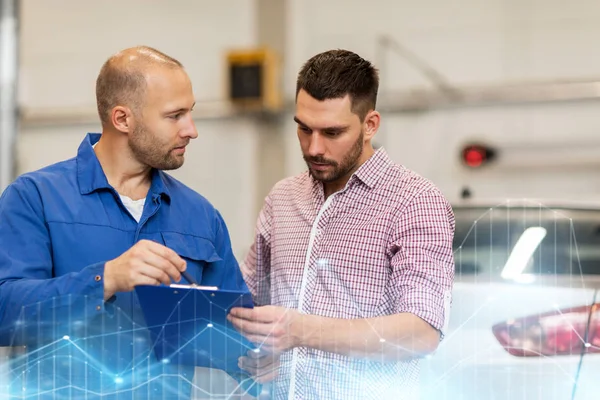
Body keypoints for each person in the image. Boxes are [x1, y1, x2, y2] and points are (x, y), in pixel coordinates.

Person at [0, 46, 249, 399]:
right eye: (174, 115)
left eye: (190, 113)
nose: (191, 130)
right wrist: (106, 278)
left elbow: (236, 333)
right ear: (122, 119)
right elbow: (4, 311)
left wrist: (261, 353)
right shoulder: (35, 198)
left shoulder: (200, 215)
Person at [228, 49, 455, 399]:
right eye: (304, 129)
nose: (314, 147)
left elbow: (420, 332)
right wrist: (252, 354)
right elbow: (248, 302)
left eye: (332, 133)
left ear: (370, 125)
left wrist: (300, 331)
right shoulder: (283, 198)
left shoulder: (414, 201)